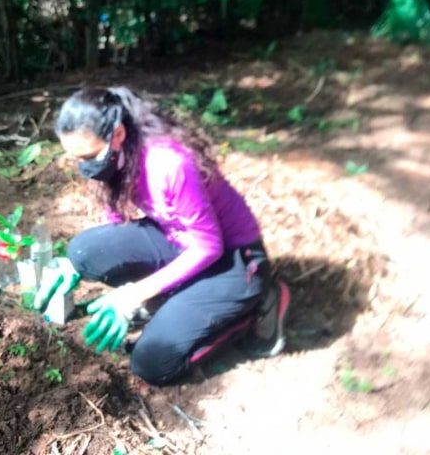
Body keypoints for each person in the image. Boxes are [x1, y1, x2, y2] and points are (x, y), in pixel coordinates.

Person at [34, 86, 290, 386]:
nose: (84, 165)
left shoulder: (169, 164)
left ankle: (258, 306)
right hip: (179, 241)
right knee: (82, 252)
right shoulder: (116, 159)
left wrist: (134, 293)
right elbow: (115, 221)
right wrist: (72, 265)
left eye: (89, 156)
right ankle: (175, 298)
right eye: (76, 158)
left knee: (153, 362)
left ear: (117, 135)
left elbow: (209, 245)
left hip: (234, 260)